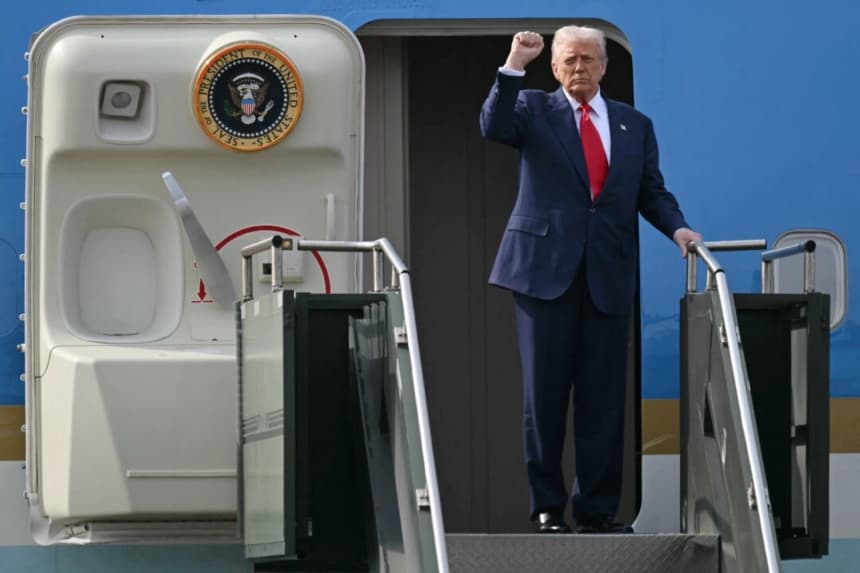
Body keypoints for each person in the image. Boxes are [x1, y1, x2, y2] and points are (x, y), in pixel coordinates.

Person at [479, 25, 702, 534]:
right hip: (542, 273)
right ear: (555, 69)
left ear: (603, 67)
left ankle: (598, 511)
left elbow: (652, 192)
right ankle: (547, 508)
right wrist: (515, 62)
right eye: (569, 61)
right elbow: (493, 126)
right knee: (546, 397)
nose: (579, 68)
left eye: (588, 60)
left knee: (603, 401)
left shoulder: (633, 125)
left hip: (608, 273)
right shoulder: (533, 108)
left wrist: (678, 228)